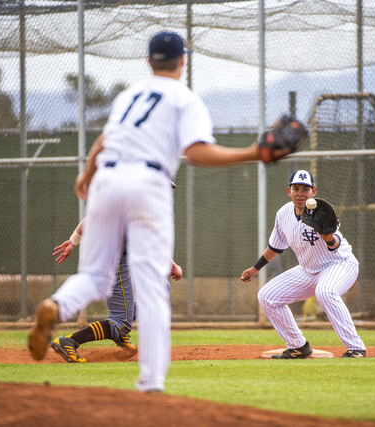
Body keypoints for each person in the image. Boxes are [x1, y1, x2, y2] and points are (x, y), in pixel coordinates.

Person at [28, 30, 261, 393]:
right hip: (149, 181)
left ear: (148, 61)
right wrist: (253, 152)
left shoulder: (128, 96)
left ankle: (57, 305)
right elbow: (198, 152)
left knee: (93, 275)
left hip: (106, 179)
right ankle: (151, 385)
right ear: (183, 60)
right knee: (151, 290)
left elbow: (104, 142)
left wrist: (87, 174)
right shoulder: (185, 98)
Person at [241, 170, 367, 359]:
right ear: (288, 191)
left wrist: (328, 237)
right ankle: (298, 346)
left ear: (313, 191)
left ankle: (356, 348)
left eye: (305, 189)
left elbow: (335, 244)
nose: (300, 193)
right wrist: (255, 268)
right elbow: (275, 247)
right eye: (296, 188)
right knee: (267, 296)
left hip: (339, 264)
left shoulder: (322, 211)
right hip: (309, 271)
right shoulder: (283, 214)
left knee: (325, 292)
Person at [49, 214, 183, 363]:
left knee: (161, 287)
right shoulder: (139, 202)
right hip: (115, 260)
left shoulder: (133, 200)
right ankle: (69, 341)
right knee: (121, 323)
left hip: (123, 258)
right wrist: (173, 266)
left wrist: (73, 242)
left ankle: (119, 333)